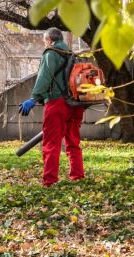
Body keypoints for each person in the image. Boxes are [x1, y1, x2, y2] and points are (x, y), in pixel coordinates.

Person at [19, 28, 85, 187]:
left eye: (44, 41)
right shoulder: (72, 55)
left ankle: (50, 180)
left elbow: (44, 77)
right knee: (73, 142)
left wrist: (34, 98)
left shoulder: (51, 53)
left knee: (51, 143)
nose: (45, 44)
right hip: (76, 104)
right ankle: (77, 176)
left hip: (57, 103)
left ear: (49, 39)